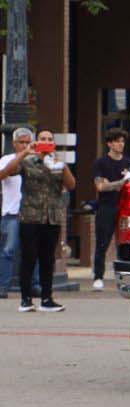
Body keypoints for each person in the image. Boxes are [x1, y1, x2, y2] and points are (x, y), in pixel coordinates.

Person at [0, 128, 75, 312]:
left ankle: (47, 299)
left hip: (51, 217)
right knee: (29, 257)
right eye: (43, 139)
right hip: (30, 216)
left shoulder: (57, 163)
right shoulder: (27, 161)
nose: (46, 141)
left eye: (49, 139)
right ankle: (26, 300)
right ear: (37, 141)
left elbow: (71, 185)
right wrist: (24, 153)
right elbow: (7, 172)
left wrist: (63, 166)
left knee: (47, 259)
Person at [91, 128, 130, 290]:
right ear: (109, 143)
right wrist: (120, 183)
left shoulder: (128, 162)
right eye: (117, 141)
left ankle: (124, 276)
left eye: (122, 141)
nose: (120, 144)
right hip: (106, 207)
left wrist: (112, 184)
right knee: (102, 243)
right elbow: (101, 186)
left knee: (125, 244)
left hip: (125, 207)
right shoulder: (101, 163)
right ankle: (98, 277)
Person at [0, 127, 28, 300]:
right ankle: (3, 286)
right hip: (12, 212)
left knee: (33, 251)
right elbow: (3, 175)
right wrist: (22, 156)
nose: (25, 146)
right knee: (8, 250)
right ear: (14, 143)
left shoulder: (37, 160)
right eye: (21, 142)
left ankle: (34, 285)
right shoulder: (7, 159)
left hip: (33, 213)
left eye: (27, 142)